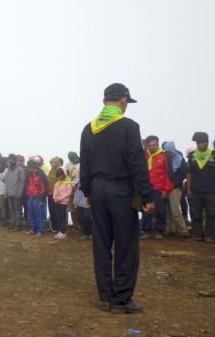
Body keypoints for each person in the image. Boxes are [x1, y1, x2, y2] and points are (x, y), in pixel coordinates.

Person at [80, 83, 154, 314]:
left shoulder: (88, 129)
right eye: (126, 103)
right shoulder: (129, 127)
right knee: (126, 244)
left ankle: (105, 296)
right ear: (123, 101)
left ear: (104, 101)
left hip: (98, 189)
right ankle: (122, 299)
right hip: (121, 189)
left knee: (101, 242)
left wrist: (88, 192)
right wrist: (147, 195)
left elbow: (85, 165)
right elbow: (137, 164)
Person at [140, 135, 173, 240]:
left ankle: (159, 231)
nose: (152, 147)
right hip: (146, 188)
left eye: (154, 145)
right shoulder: (144, 156)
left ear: (158, 144)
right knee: (146, 210)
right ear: (147, 145)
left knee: (160, 210)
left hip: (159, 188)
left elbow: (169, 174)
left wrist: (166, 189)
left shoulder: (164, 157)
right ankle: (146, 231)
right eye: (149, 145)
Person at [187, 132, 215, 243]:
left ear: (207, 143)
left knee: (211, 214)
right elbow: (189, 174)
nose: (200, 145)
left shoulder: (213, 155)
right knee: (195, 213)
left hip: (211, 191)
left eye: (202, 142)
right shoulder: (192, 156)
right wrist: (188, 189)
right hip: (195, 191)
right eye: (198, 143)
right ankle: (197, 234)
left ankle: (209, 235)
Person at [161, 141, 189, 237]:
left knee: (174, 209)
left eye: (170, 152)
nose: (169, 154)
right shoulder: (164, 158)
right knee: (168, 209)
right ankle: (170, 230)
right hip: (165, 186)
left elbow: (183, 174)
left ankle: (184, 231)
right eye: (167, 152)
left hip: (176, 188)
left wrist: (173, 184)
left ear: (173, 150)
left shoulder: (180, 159)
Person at [25, 159, 49, 236]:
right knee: (31, 214)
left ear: (35, 167)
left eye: (31, 167)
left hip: (38, 197)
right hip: (30, 196)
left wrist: (42, 199)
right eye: (29, 167)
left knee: (38, 214)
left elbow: (45, 187)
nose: (30, 169)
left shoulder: (41, 174)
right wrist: (27, 195)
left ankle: (40, 230)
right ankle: (33, 229)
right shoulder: (29, 174)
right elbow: (27, 185)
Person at [4, 154, 25, 231]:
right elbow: (6, 181)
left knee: (17, 209)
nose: (9, 162)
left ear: (14, 160)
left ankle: (18, 225)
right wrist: (6, 192)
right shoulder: (8, 170)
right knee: (11, 209)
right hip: (9, 193)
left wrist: (20, 193)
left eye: (11, 160)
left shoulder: (20, 169)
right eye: (8, 160)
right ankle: (12, 223)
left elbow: (22, 182)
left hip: (17, 193)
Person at [53, 167, 73, 240]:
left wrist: (60, 199)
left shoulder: (68, 182)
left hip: (63, 202)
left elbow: (68, 193)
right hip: (57, 202)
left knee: (62, 217)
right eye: (58, 175)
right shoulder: (57, 183)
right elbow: (54, 191)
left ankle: (63, 232)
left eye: (61, 175)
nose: (60, 176)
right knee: (58, 217)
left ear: (64, 174)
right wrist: (54, 198)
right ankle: (59, 231)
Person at [66, 152, 81, 229]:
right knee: (71, 207)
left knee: (79, 207)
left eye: (74, 159)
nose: (73, 161)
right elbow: (66, 175)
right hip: (70, 188)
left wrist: (76, 186)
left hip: (79, 188)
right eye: (71, 159)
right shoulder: (68, 164)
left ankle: (80, 224)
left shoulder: (82, 164)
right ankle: (74, 224)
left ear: (77, 157)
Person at [46, 157, 62, 232]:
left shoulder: (59, 171)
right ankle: (53, 226)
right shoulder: (51, 171)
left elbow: (60, 183)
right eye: (51, 162)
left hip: (56, 195)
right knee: (51, 210)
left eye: (53, 162)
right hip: (49, 194)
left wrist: (54, 192)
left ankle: (58, 227)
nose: (52, 164)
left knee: (56, 211)